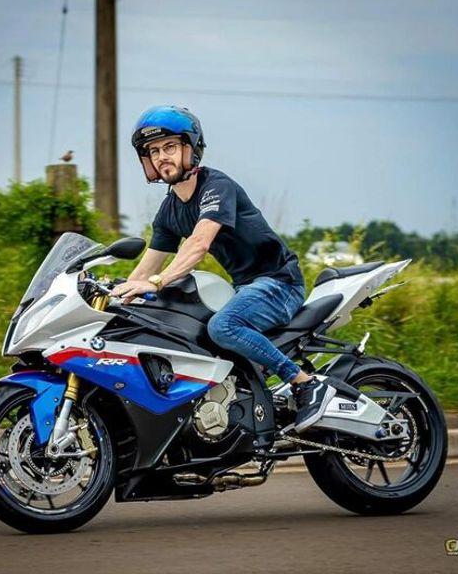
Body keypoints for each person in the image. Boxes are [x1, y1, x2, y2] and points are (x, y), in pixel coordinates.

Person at [110, 105, 335, 432]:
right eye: (154, 151)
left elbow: (199, 244)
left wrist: (156, 282)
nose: (161, 157)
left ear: (191, 149)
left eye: (170, 147)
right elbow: (145, 270)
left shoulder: (216, 186)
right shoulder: (169, 212)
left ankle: (305, 384)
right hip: (246, 288)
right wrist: (112, 297)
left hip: (279, 283)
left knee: (222, 327)